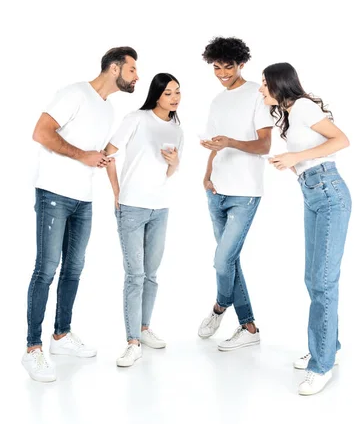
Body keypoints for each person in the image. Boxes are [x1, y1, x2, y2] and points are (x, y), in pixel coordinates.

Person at [22, 46, 139, 382]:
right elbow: (41, 133)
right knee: (46, 269)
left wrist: (115, 186)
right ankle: (32, 349)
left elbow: (96, 152)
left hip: (83, 198)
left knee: (74, 269)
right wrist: (81, 155)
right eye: (132, 70)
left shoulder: (108, 108)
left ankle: (61, 336)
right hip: (54, 193)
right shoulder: (74, 93)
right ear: (115, 68)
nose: (137, 77)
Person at [260, 62, 351, 395]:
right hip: (313, 193)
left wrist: (293, 157)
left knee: (324, 281)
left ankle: (321, 365)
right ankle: (329, 347)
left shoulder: (304, 106)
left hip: (329, 193)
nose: (261, 89)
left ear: (279, 83)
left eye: (264, 83)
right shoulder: (290, 112)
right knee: (315, 278)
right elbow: (309, 153)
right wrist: (292, 162)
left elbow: (341, 140)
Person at [198, 37, 274, 351]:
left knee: (222, 260)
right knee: (229, 261)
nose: (222, 73)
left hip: (245, 193)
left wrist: (230, 142)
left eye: (227, 67)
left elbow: (264, 146)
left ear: (241, 64)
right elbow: (217, 143)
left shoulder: (257, 94)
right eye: (216, 67)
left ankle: (219, 306)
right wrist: (207, 172)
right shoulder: (217, 101)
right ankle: (249, 326)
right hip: (216, 190)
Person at [105, 73, 183, 368]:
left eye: (177, 92)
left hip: (160, 207)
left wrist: (174, 165)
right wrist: (117, 192)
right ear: (156, 95)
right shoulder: (136, 118)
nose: (174, 97)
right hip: (132, 207)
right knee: (134, 275)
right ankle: (132, 342)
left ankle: (144, 328)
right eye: (168, 93)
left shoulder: (177, 128)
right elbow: (108, 154)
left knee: (151, 274)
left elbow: (169, 171)